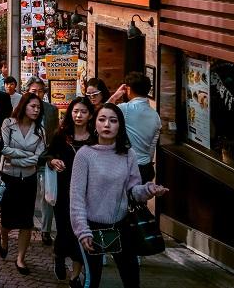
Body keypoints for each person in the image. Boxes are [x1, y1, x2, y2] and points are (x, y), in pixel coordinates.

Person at [70, 104, 169, 288]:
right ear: (95, 124)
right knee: (92, 281)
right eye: (102, 119)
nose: (107, 124)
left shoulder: (128, 154)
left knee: (131, 279)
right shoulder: (84, 155)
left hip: (121, 225)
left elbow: (133, 190)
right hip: (92, 228)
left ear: (120, 126)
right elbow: (76, 198)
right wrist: (82, 231)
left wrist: (149, 190)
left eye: (113, 120)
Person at [44, 96, 95, 285]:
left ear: (90, 115)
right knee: (64, 228)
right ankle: (59, 254)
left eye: (83, 111)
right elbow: (48, 154)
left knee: (80, 231)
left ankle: (75, 274)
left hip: (88, 191)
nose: (78, 115)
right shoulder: (62, 134)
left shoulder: (95, 137)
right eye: (75, 111)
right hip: (65, 189)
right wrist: (53, 160)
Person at [0, 92, 46, 275]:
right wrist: (27, 156)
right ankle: (3, 238)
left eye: (38, 107)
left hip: (29, 178)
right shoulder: (8, 124)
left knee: (26, 220)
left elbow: (40, 156)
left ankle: (20, 258)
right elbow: (5, 148)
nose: (35, 110)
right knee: (8, 216)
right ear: (24, 105)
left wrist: (18, 158)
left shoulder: (39, 130)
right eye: (32, 106)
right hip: (9, 176)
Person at [111, 71, 161, 183]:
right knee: (139, 198)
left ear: (128, 89)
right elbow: (152, 147)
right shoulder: (155, 116)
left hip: (125, 166)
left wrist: (114, 96)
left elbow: (102, 115)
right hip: (145, 168)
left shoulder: (125, 108)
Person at [26, 77, 59, 245]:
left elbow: (55, 134)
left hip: (46, 159)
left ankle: (46, 230)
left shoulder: (51, 110)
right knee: (29, 195)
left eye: (40, 91)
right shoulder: (20, 111)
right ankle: (27, 224)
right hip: (26, 160)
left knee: (48, 195)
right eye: (33, 91)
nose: (37, 94)